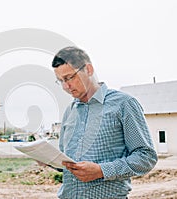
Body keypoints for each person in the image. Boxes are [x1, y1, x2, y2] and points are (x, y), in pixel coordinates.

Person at [51, 46, 157, 198]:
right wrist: (48, 160)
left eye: (69, 78)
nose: (65, 87)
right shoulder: (70, 111)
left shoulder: (123, 104)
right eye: (60, 81)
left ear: (88, 69)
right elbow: (66, 163)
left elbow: (146, 157)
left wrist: (101, 170)